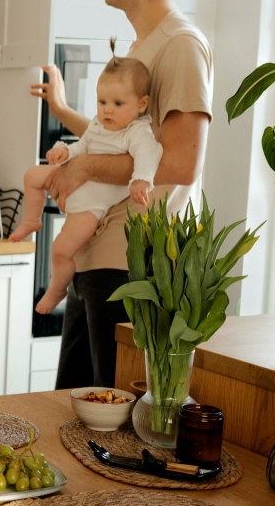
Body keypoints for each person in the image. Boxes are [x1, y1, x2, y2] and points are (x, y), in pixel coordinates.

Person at [30, 0, 212, 389]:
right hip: (97, 254)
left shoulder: (181, 46)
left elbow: (180, 163)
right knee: (73, 403)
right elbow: (118, 136)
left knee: (107, 411)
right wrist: (64, 112)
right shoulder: (143, 46)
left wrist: (84, 166)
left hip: (131, 259)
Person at [11, 48, 162, 315]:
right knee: (32, 176)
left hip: (92, 205)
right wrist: (66, 151)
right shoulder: (98, 125)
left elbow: (149, 154)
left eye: (117, 104)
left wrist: (141, 180)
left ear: (141, 104)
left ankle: (57, 289)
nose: (107, 110)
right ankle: (31, 220)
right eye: (102, 102)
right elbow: (84, 146)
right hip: (78, 180)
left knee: (61, 250)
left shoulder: (136, 131)